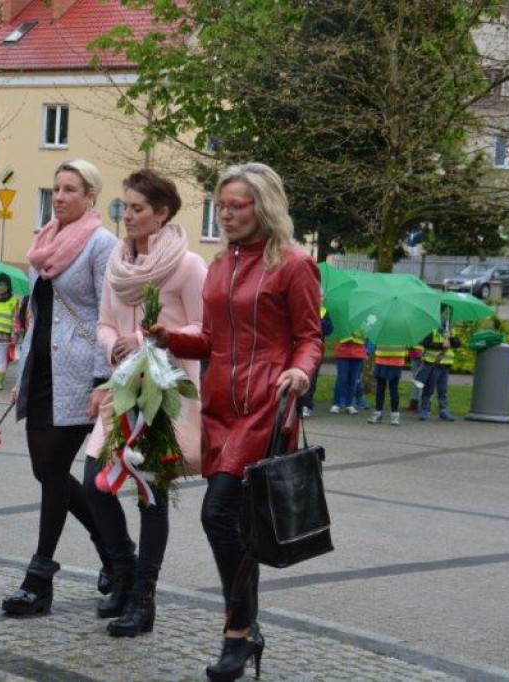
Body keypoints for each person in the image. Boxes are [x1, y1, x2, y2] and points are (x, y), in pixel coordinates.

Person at [148, 163, 323, 681]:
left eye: (236, 205)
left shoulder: (293, 265)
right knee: (235, 523)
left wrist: (300, 370)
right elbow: (213, 343)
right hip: (220, 407)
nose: (225, 214)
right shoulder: (221, 266)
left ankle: (239, 632)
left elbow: (311, 337)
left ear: (263, 205)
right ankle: (244, 627)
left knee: (218, 514)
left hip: (266, 406)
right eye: (220, 205)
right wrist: (170, 338)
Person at [83, 169, 206, 637]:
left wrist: (149, 338)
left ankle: (143, 599)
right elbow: (102, 322)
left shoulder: (188, 265)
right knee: (95, 483)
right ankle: (124, 569)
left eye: (137, 208)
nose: (127, 215)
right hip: (121, 386)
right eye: (126, 206)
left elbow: (202, 329)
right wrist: (113, 343)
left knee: (151, 496)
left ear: (162, 213)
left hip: (164, 391)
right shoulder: (118, 262)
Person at [3, 159, 117, 617]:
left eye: (71, 189)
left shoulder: (101, 244)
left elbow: (106, 316)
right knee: (44, 471)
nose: (61, 196)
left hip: (79, 373)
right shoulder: (43, 242)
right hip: (42, 370)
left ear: (91, 196)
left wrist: (100, 377)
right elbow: (37, 315)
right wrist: (21, 374)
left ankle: (39, 579)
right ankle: (114, 549)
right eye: (56, 189)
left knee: (53, 471)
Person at [418, 304, 460, 422]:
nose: (446, 316)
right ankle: (424, 410)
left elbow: (457, 343)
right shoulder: (432, 327)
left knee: (443, 389)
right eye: (444, 313)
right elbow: (426, 343)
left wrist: (451, 338)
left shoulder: (450, 328)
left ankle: (443, 410)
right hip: (433, 362)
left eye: (447, 314)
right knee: (429, 388)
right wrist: (441, 345)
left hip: (445, 364)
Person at [299, 300, 332, 417]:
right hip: (302, 347)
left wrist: (321, 322)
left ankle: (307, 405)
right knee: (301, 376)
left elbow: (329, 330)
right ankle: (297, 404)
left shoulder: (324, 312)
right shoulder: (304, 307)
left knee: (312, 378)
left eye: (321, 297)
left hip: (317, 349)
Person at [368, 344, 407, 425]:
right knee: (380, 388)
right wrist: (368, 350)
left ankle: (394, 415)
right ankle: (378, 413)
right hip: (381, 361)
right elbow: (373, 342)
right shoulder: (382, 331)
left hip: (396, 362)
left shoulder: (402, 332)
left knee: (393, 389)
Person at [331, 329, 366, 414]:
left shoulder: (362, 320)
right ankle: (336, 404)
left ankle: (349, 404)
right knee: (342, 378)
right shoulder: (343, 319)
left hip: (358, 354)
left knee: (353, 380)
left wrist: (367, 351)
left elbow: (366, 334)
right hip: (343, 353)